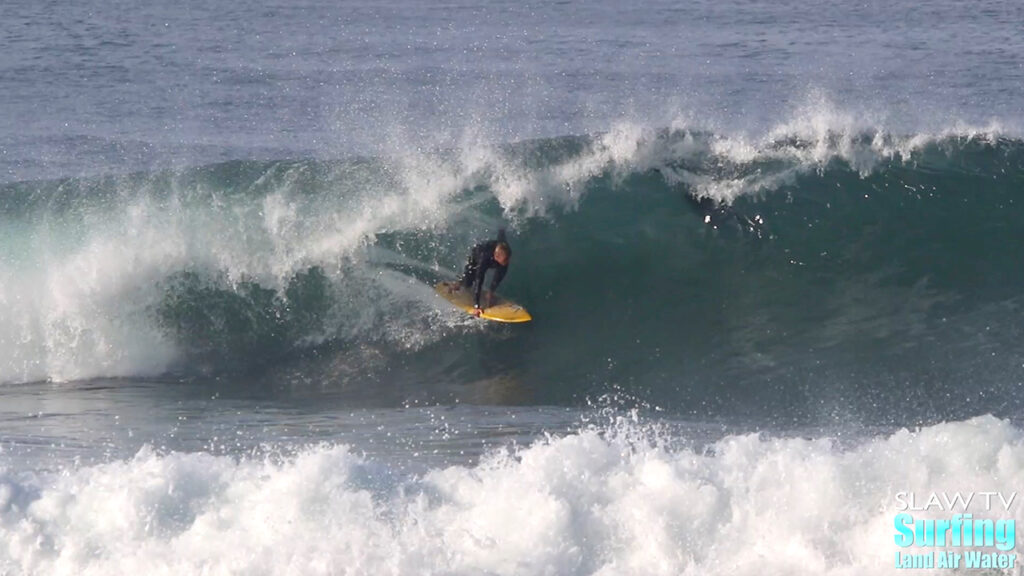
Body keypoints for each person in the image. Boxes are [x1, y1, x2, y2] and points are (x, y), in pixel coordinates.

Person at [448, 230, 512, 316]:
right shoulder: (484, 260)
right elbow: (479, 281)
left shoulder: (504, 249)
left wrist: (491, 291)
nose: (508, 261)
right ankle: (457, 284)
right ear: (497, 257)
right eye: (506, 259)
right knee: (468, 283)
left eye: (508, 258)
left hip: (495, 254)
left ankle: (490, 293)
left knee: (502, 268)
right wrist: (476, 306)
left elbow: (501, 237)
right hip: (477, 256)